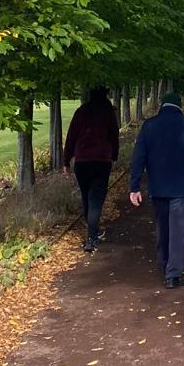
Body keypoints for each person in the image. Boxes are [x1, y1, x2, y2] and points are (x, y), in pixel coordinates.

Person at [128, 91, 184, 288]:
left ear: (162, 106)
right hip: (180, 187)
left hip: (157, 186)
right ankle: (173, 274)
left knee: (162, 227)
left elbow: (138, 157)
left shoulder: (149, 126)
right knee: (178, 230)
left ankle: (164, 264)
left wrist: (134, 186)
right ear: (179, 107)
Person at [64, 87, 120, 252]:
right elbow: (113, 136)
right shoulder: (108, 112)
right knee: (96, 198)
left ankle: (92, 232)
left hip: (82, 161)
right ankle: (91, 237)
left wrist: (66, 161)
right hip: (102, 161)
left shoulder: (81, 111)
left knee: (86, 196)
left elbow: (71, 137)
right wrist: (114, 156)